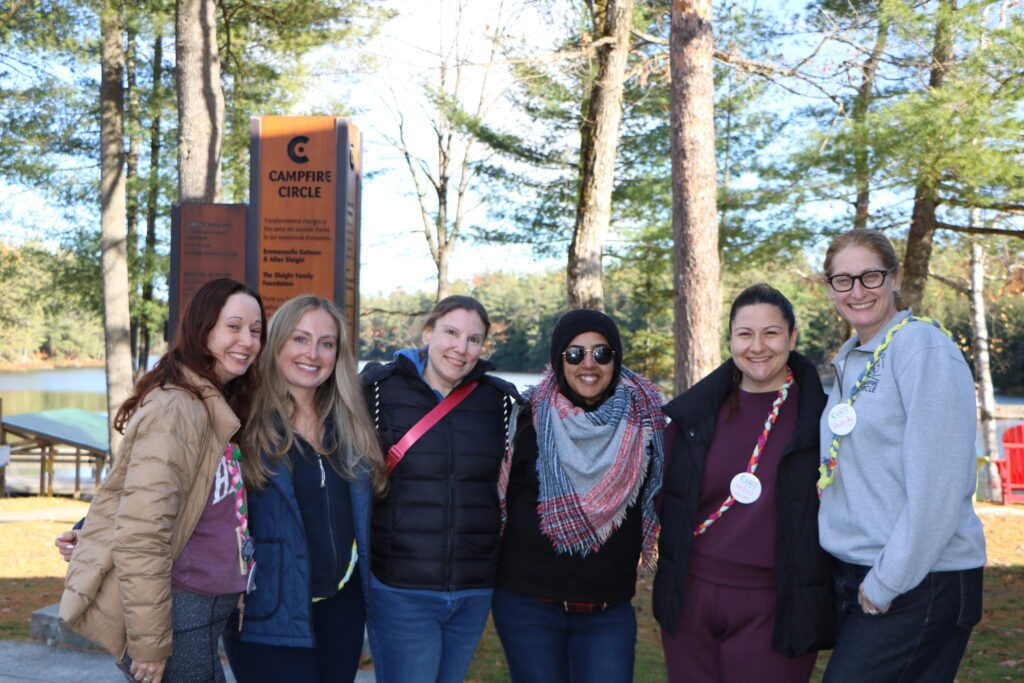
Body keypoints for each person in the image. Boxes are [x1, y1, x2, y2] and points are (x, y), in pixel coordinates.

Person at [59, 278, 265, 683]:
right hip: (178, 611)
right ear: (202, 329)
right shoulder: (177, 408)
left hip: (201, 612)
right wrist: (151, 644)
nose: (247, 341)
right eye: (234, 326)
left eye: (256, 331)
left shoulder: (212, 402)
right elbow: (143, 532)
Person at [816, 229, 986, 681]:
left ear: (896, 278)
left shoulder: (922, 349)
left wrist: (886, 582)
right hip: (864, 573)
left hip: (921, 577)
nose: (857, 291)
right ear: (829, 287)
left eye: (870, 276)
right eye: (842, 280)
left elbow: (940, 487)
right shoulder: (853, 358)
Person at [654, 284, 835, 682]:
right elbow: (660, 497)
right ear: (731, 339)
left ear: (792, 336)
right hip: (691, 600)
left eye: (770, 332)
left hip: (777, 604)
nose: (757, 346)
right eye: (744, 334)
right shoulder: (694, 417)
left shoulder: (822, 420)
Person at [492, 309, 666, 683]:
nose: (589, 364)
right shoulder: (527, 419)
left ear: (616, 360)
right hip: (528, 607)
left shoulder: (648, 423)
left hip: (608, 611)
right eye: (575, 354)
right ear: (559, 361)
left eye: (602, 353)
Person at [221, 295, 386, 682]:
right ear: (277, 342)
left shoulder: (349, 423)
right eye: (300, 338)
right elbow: (174, 480)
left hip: (341, 610)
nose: (313, 353)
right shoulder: (239, 419)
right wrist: (91, 525)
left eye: (326, 343)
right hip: (267, 612)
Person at [359, 295, 519, 683]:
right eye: (451, 332)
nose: (461, 348)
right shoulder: (378, 391)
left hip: (473, 589)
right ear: (428, 332)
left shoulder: (498, 401)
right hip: (402, 588)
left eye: (474, 339)